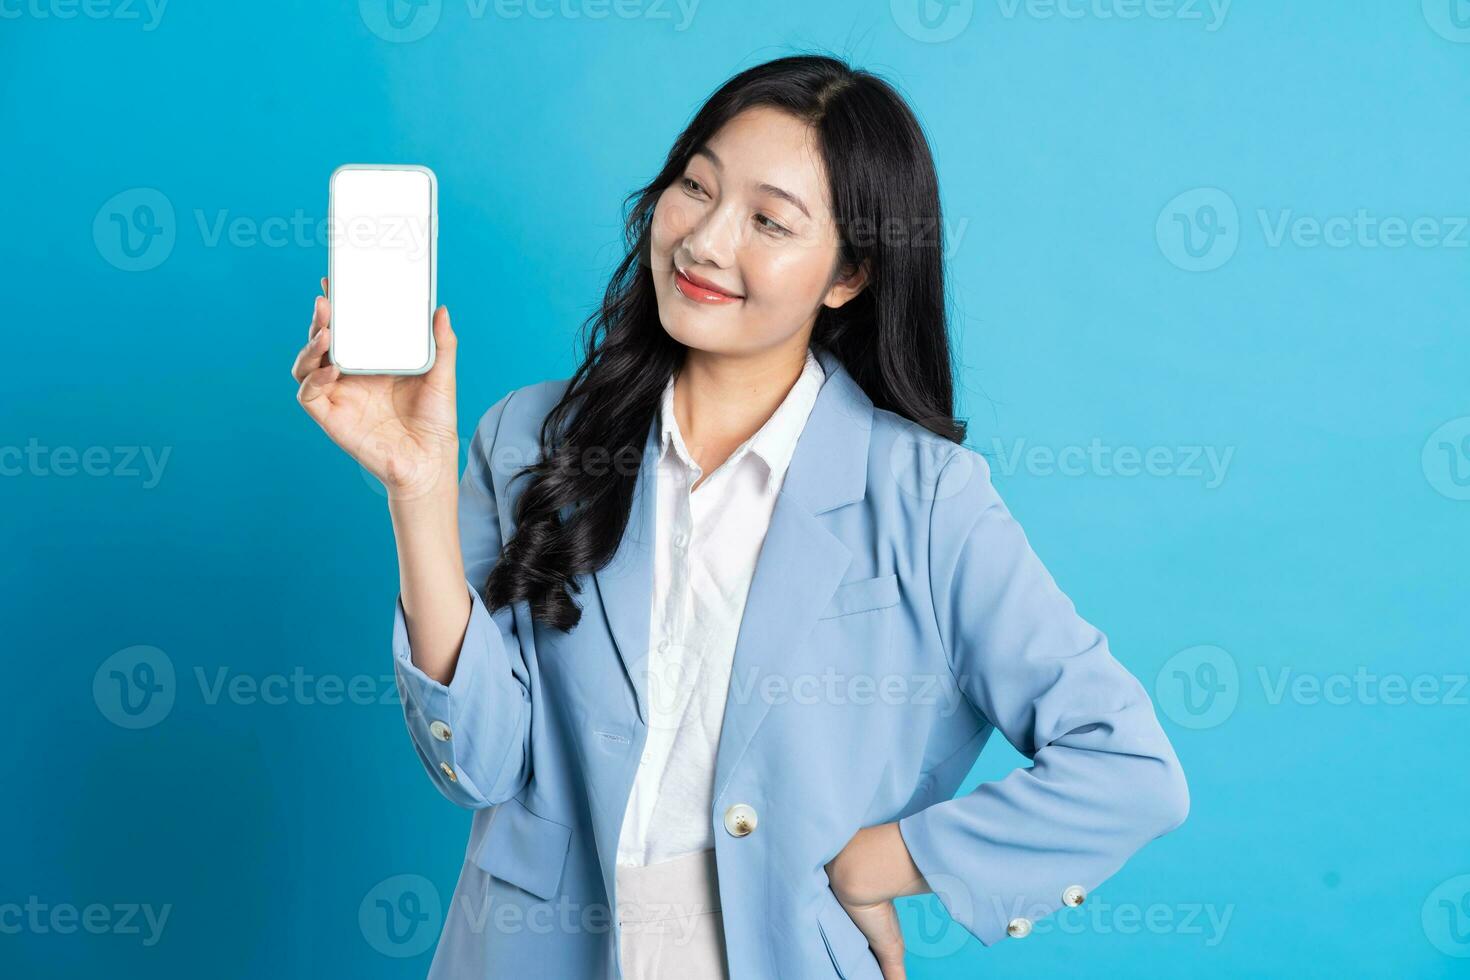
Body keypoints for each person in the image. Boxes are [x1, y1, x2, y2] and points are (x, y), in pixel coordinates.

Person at [291, 53, 1189, 980]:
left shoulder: (925, 497)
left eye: (769, 220)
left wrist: (884, 862)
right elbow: (475, 765)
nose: (706, 242)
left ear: (849, 275)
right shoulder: (528, 438)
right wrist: (417, 490)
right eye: (696, 186)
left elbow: (1126, 769)